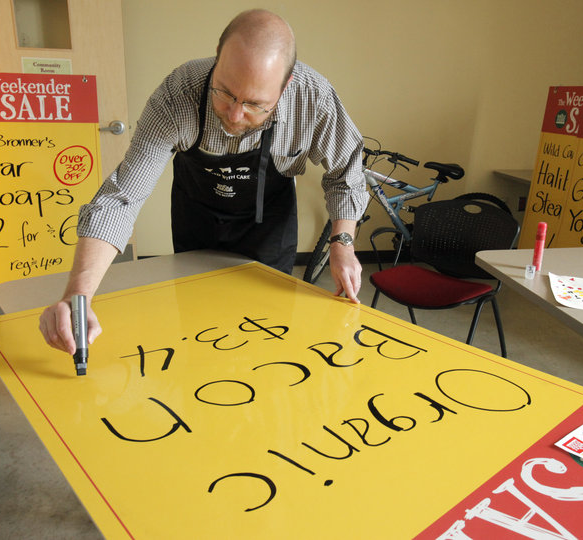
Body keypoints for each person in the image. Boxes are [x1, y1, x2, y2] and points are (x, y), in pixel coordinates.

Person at [39, 9, 368, 354]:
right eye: (225, 93)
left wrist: (342, 243)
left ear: (285, 85)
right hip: (195, 215)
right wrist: (77, 296)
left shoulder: (313, 99)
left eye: (255, 105)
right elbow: (122, 198)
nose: (235, 115)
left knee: (268, 329)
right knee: (199, 323)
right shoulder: (178, 95)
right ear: (218, 57)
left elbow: (347, 172)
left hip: (267, 221)